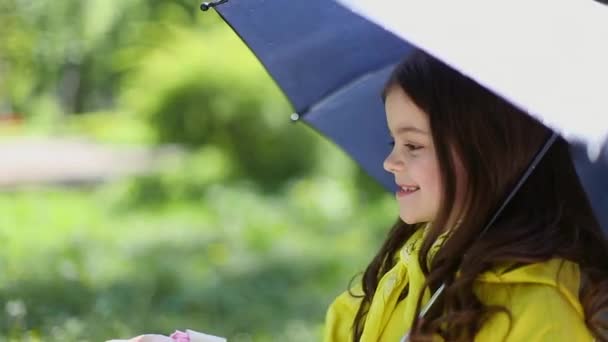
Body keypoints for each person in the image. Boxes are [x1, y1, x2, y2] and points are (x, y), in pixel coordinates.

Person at [323, 49, 608, 341]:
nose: (389, 162)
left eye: (413, 145)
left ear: (486, 154)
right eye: (392, 141)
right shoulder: (374, 295)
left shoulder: (538, 311)